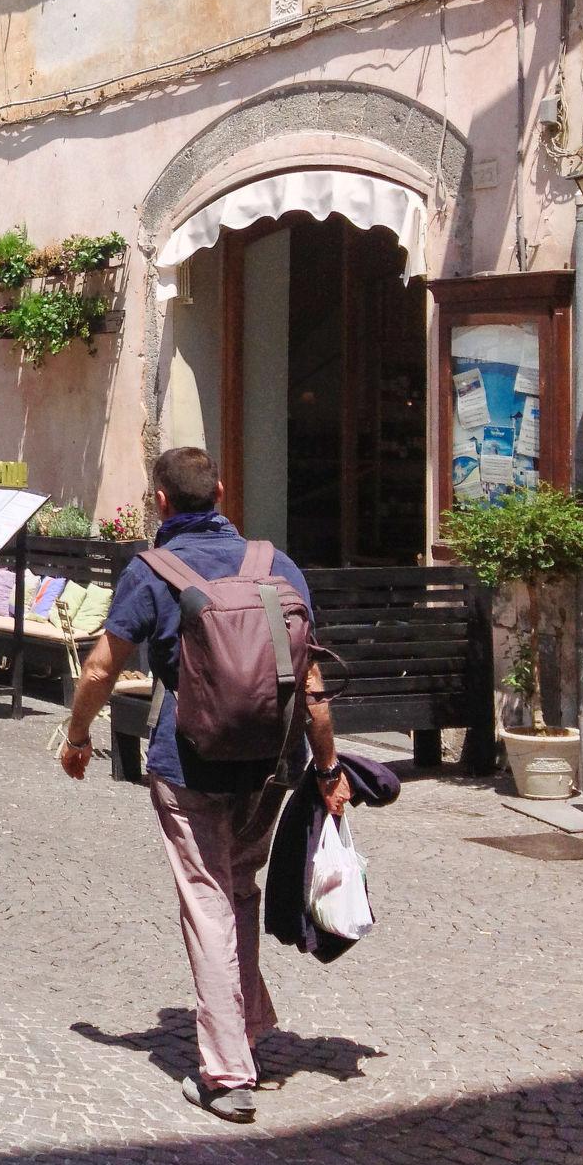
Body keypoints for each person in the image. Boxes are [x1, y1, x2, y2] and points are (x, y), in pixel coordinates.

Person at [59, 447, 349, 1126]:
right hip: (271, 763)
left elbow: (101, 668)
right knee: (238, 884)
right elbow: (310, 684)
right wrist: (329, 768)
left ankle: (225, 1075)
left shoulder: (152, 572)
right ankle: (246, 1027)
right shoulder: (277, 565)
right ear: (221, 491)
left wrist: (77, 737)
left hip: (186, 763)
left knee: (208, 899)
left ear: (161, 501)